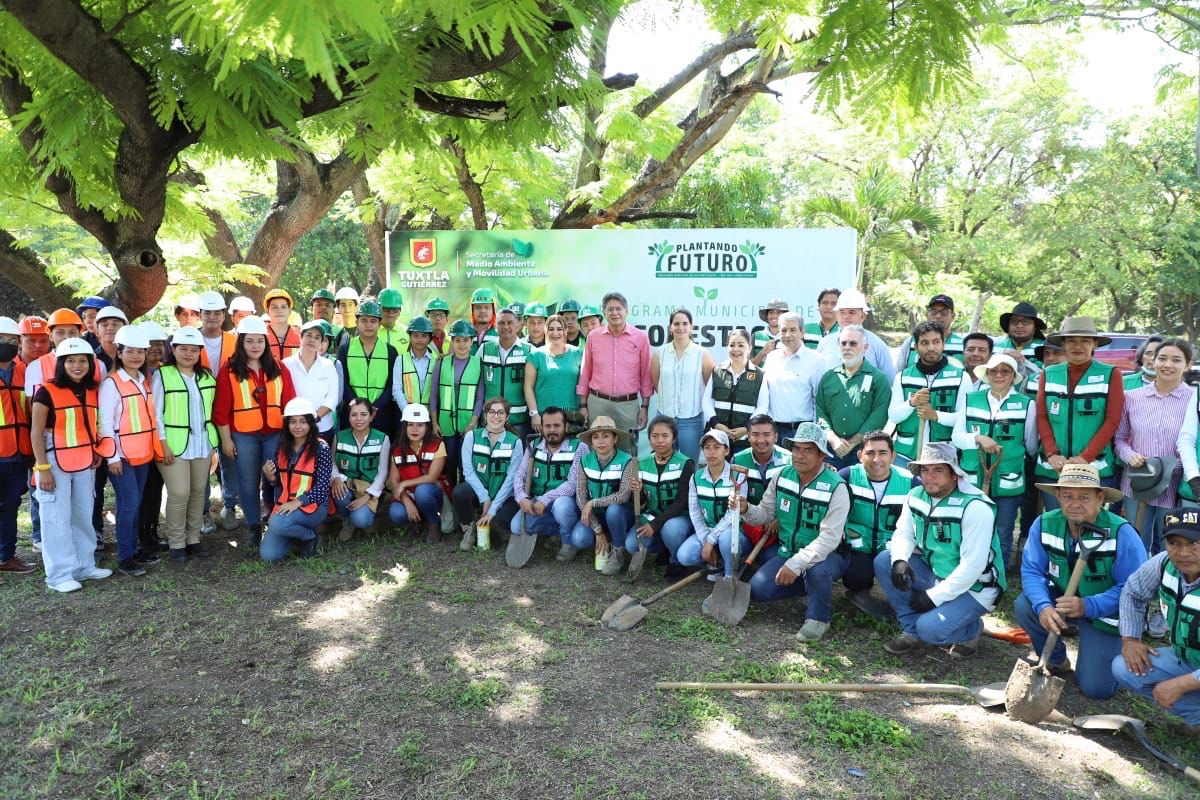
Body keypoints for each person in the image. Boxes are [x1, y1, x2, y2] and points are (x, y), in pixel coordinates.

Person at [1017, 465, 1146, 698]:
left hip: (1105, 613)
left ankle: (1108, 656)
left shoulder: (1121, 534)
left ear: (1100, 499)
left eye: (1084, 497)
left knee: (1096, 689)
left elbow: (1133, 591)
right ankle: (1055, 660)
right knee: (1025, 605)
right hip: (1063, 599)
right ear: (1057, 496)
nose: (1075, 503)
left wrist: (1088, 606)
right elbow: (1032, 571)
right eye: (1067, 496)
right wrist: (1044, 607)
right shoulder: (1044, 523)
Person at [875, 443, 1004, 657]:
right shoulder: (916, 495)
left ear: (954, 475)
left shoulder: (976, 507)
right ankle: (911, 630)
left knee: (930, 630)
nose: (929, 477)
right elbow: (904, 533)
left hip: (976, 587)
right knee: (885, 560)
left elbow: (972, 567)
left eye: (938, 470)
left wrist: (933, 597)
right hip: (936, 572)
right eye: (925, 470)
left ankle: (971, 629)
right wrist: (899, 560)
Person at [737, 422, 851, 642]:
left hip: (830, 555)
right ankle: (811, 587)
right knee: (760, 589)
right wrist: (745, 509)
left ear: (821, 456)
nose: (799, 455)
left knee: (817, 570)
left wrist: (796, 564)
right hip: (788, 550)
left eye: (808, 450)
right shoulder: (781, 476)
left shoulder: (837, 487)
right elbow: (765, 514)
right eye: (796, 448)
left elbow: (829, 539)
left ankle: (818, 618)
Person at [30, 338, 115, 592]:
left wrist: (97, 450)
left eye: (82, 361)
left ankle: (84, 565)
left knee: (83, 514)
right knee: (56, 518)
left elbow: (92, 424)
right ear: (61, 364)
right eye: (70, 361)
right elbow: (36, 433)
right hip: (54, 462)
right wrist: (42, 469)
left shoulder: (92, 390)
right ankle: (59, 575)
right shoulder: (46, 391)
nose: (77, 366)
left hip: (84, 462)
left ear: (90, 363)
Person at [1112, 507, 1200, 730]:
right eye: (1174, 543)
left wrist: (1183, 683)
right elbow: (1132, 591)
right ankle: (1197, 718)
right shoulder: (1163, 563)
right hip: (1188, 659)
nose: (1183, 552)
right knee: (1125, 667)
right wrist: (1130, 639)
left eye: (1194, 543)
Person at [214, 316, 297, 549]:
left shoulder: (279, 367)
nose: (255, 346)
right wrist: (226, 440)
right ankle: (253, 527)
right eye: (249, 341)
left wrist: (289, 437)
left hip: (275, 433)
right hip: (244, 435)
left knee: (279, 478)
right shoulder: (229, 370)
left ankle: (280, 522)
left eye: (259, 341)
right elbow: (221, 410)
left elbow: (289, 403)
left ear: (266, 342)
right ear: (241, 343)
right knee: (248, 483)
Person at [953, 352, 1038, 565]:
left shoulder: (1027, 404)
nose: (999, 375)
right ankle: (968, 568)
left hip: (1008, 478)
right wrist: (979, 438)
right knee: (969, 525)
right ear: (987, 374)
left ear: (1013, 376)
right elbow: (957, 437)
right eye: (994, 371)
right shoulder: (970, 399)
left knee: (1003, 527)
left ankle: (998, 573)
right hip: (973, 476)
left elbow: (1030, 444)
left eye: (1005, 371)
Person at [1035, 317, 1125, 511]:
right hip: (1054, 468)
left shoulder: (1112, 374)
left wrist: (1085, 457)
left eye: (1085, 340)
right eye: (1071, 340)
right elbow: (1042, 416)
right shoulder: (1048, 374)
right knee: (1058, 522)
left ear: (1094, 344)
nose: (1078, 346)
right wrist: (1051, 453)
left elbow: (1112, 420)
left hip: (1095, 465)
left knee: (1095, 525)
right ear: (1063, 345)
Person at [1117, 337, 1194, 553]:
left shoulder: (1194, 400)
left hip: (1174, 485)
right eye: (1162, 358)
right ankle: (1136, 584)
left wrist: (1171, 467)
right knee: (1136, 540)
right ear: (1152, 360)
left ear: (1187, 365)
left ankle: (1164, 585)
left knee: (1169, 544)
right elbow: (1120, 439)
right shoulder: (1132, 397)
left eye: (1176, 360)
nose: (1168, 364)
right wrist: (1129, 455)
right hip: (1137, 482)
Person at [98, 325, 163, 576]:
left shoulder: (143, 381)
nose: (136, 356)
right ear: (120, 353)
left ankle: (135, 549)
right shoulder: (112, 384)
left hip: (143, 455)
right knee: (128, 504)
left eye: (140, 352)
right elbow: (104, 423)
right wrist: (112, 456)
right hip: (122, 458)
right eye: (130, 351)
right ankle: (126, 557)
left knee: (135, 505)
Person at [153, 327, 218, 563]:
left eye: (194, 350)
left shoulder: (207, 376)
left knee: (199, 492)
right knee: (179, 492)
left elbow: (213, 412)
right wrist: (162, 444)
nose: (189, 354)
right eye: (183, 349)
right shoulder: (162, 375)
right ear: (173, 349)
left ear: (200, 352)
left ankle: (193, 538)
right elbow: (156, 413)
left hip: (203, 443)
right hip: (173, 444)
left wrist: (215, 446)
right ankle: (176, 541)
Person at [838, 431, 911, 613]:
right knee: (857, 576)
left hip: (892, 548)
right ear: (860, 455)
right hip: (858, 546)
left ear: (893, 456)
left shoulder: (910, 482)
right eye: (870, 453)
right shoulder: (846, 476)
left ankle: (899, 599)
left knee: (902, 575)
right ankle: (859, 593)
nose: (876, 459)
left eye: (883, 453)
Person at [576, 292, 653, 453]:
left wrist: (645, 406)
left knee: (628, 452)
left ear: (626, 311)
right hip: (598, 403)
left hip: (628, 406)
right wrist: (583, 405)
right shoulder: (594, 337)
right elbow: (585, 373)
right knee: (598, 451)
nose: (614, 313)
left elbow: (646, 375)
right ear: (604, 313)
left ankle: (626, 480)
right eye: (610, 309)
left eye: (618, 308)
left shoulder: (640, 338)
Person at [260, 398, 333, 561]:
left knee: (278, 523)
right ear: (287, 424)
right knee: (269, 556)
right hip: (286, 506)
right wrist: (270, 477)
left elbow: (322, 488)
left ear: (311, 424)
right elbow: (280, 483)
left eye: (303, 422)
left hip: (313, 507)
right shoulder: (282, 446)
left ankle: (309, 538)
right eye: (293, 422)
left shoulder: (321, 448)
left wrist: (298, 502)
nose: (298, 426)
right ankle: (295, 536)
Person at [887, 321, 969, 466]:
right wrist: (911, 403)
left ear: (943, 344)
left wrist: (935, 415)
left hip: (943, 456)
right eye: (925, 343)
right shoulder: (903, 377)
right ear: (916, 347)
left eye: (936, 342)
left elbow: (965, 419)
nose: (931, 347)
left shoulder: (961, 377)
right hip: (905, 455)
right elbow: (893, 416)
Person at [511, 406, 587, 557]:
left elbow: (572, 485)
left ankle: (568, 542)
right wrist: (521, 498)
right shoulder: (534, 446)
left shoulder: (579, 447)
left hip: (567, 503)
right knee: (516, 527)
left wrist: (546, 499)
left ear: (566, 426)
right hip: (538, 501)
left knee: (561, 507)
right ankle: (557, 533)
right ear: (542, 427)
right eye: (548, 426)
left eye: (557, 425)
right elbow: (520, 475)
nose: (552, 430)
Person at [815, 324, 890, 469]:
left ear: (865, 347)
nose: (847, 347)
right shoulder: (829, 377)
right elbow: (820, 410)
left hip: (864, 450)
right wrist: (833, 439)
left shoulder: (878, 378)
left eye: (853, 343)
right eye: (843, 343)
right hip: (832, 449)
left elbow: (879, 415)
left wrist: (854, 442)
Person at [454, 397, 524, 551]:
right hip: (479, 493)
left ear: (507, 417)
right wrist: (485, 498)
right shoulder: (472, 437)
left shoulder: (516, 442)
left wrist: (493, 508)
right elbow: (468, 472)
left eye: (501, 412)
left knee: (503, 519)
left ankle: (494, 525)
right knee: (460, 492)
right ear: (485, 415)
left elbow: (511, 479)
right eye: (492, 412)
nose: (496, 416)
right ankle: (469, 529)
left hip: (503, 495)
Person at [627, 416, 695, 573]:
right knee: (631, 545)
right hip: (652, 515)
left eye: (665, 436)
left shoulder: (685, 463)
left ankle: (676, 561)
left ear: (674, 438)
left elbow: (682, 502)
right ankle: (664, 548)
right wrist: (638, 492)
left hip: (678, 517)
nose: (660, 440)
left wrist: (655, 524)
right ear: (649, 438)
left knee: (671, 529)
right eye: (655, 436)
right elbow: (640, 502)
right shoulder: (641, 463)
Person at [570, 416, 636, 574]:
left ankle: (618, 550)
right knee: (579, 538)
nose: (600, 441)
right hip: (595, 517)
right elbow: (580, 496)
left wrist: (593, 503)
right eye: (595, 437)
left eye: (606, 436)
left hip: (619, 515)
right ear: (591, 441)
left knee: (614, 510)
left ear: (615, 439)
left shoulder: (627, 461)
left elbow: (623, 496)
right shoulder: (584, 460)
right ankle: (603, 540)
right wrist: (597, 530)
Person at [677, 429, 747, 577]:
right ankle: (717, 563)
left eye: (716, 447)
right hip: (708, 529)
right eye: (707, 448)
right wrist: (705, 539)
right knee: (684, 556)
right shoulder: (696, 478)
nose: (711, 452)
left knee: (726, 539)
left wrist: (711, 540)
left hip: (734, 532)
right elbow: (694, 511)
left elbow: (733, 514)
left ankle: (730, 575)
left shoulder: (738, 476)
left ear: (726, 450)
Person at [652, 309, 715, 461]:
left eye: (685, 324)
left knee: (689, 464)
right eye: (676, 324)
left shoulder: (702, 354)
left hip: (691, 421)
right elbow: (655, 382)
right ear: (670, 327)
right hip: (664, 418)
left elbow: (710, 387)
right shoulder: (660, 353)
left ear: (691, 327)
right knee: (663, 463)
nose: (681, 327)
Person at [429, 319, 483, 484]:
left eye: (466, 340)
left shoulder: (478, 363)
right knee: (449, 463)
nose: (461, 344)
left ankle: (466, 499)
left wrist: (473, 423)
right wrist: (434, 423)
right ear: (451, 341)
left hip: (468, 423)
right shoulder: (442, 363)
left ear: (472, 341)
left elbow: (480, 397)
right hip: (446, 424)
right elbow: (434, 394)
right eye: (457, 340)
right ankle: (450, 497)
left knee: (466, 464)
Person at [0, 317, 34, 574]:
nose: (8, 344)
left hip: (19, 451)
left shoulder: (26, 371)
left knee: (11, 504)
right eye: (2, 339)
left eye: (13, 340)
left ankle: (6, 557)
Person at [387, 403, 450, 543]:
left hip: (431, 493)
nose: (414, 429)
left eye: (420, 425)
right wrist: (406, 500)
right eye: (410, 425)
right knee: (396, 513)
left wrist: (405, 483)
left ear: (427, 427)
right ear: (404, 427)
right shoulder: (397, 448)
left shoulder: (437, 444)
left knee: (422, 492)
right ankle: (416, 521)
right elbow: (394, 481)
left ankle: (433, 524)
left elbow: (432, 477)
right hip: (409, 494)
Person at [761, 312, 826, 443]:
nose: (787, 335)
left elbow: (819, 400)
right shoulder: (771, 358)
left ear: (802, 332)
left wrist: (814, 431)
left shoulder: (816, 360)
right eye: (783, 330)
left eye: (793, 330)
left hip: (802, 431)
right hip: (774, 431)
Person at [330, 397, 388, 541]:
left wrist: (368, 496)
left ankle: (368, 516)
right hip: (347, 485)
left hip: (369, 489)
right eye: (354, 414)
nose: (358, 419)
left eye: (363, 414)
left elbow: (383, 473)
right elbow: (332, 463)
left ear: (371, 416)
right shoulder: (339, 437)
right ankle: (346, 520)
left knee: (361, 519)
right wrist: (336, 478)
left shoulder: (382, 438)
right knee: (340, 494)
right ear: (348, 417)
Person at [337, 300, 398, 436]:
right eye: (364, 320)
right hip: (352, 412)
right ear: (357, 322)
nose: (368, 325)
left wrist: (375, 407)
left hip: (381, 413)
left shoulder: (390, 351)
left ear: (379, 323)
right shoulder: (345, 349)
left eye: (373, 321)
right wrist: (358, 406)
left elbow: (392, 384)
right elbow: (343, 382)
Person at [703, 328, 769, 454]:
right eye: (732, 345)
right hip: (718, 438)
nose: (736, 349)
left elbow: (763, 406)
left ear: (749, 348)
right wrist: (716, 424)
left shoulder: (759, 375)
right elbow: (707, 401)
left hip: (745, 439)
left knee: (741, 472)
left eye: (741, 345)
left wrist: (746, 428)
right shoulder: (717, 371)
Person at [815, 289, 895, 383]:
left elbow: (890, 383)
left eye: (852, 312)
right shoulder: (825, 343)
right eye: (842, 312)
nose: (846, 316)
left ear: (863, 316)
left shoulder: (877, 345)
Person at [525, 314, 584, 435]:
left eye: (559, 329)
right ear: (546, 331)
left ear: (565, 331)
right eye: (551, 329)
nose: (555, 333)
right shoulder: (536, 355)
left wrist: (584, 407)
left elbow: (583, 383)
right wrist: (534, 413)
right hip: (545, 417)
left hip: (571, 417)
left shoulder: (577, 353)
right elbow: (528, 387)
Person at [284, 320, 339, 445]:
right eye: (308, 335)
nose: (312, 340)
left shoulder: (328, 365)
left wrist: (314, 418)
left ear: (321, 342)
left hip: (322, 427)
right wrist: (300, 422)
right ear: (301, 337)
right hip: (294, 429)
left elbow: (332, 398)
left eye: (317, 337)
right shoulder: (286, 364)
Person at [479, 308, 532, 438]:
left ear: (518, 325)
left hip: (519, 421)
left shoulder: (529, 351)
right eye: (501, 323)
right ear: (495, 326)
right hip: (490, 420)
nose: (506, 327)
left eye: (510, 323)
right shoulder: (485, 349)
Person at [895, 294, 965, 369]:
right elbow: (899, 372)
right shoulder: (911, 342)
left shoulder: (964, 345)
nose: (938, 316)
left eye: (944, 312)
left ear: (953, 316)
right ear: (927, 315)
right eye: (933, 311)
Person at [391, 316, 439, 413]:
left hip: (429, 414)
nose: (420, 339)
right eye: (416, 335)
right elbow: (396, 389)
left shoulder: (436, 361)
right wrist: (408, 411)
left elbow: (437, 392)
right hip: (406, 414)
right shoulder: (400, 360)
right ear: (410, 336)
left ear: (430, 338)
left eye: (424, 336)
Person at [994, 301, 1047, 373]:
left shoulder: (1045, 348)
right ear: (1008, 326)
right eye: (1014, 321)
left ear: (1035, 327)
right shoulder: (996, 345)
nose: (1019, 326)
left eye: (1025, 321)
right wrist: (1003, 353)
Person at [196, 291, 236, 373]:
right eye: (207, 313)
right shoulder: (190, 339)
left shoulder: (235, 341)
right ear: (200, 316)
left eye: (217, 313)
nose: (212, 317)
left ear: (223, 316)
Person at [263, 289, 301, 362]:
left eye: (283, 307)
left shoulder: (300, 336)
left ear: (289, 311)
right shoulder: (260, 335)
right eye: (274, 307)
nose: (279, 311)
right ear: (267, 311)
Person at [92, 305, 127, 374]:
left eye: (115, 324)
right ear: (97, 332)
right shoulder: (91, 359)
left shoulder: (133, 358)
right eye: (105, 325)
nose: (110, 328)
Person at [751, 299, 787, 365]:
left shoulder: (790, 337)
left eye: (778, 313)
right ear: (767, 315)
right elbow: (749, 367)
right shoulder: (756, 336)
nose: (774, 316)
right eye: (771, 312)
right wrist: (763, 352)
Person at [377, 288, 409, 354]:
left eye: (395, 309)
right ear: (378, 309)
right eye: (386, 308)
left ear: (400, 311)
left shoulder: (408, 332)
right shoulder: (370, 331)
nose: (391, 312)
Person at [469, 288, 499, 353]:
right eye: (478, 307)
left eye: (486, 307)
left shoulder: (500, 333)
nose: (482, 311)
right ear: (472, 310)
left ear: (493, 310)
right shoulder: (464, 331)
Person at [334, 287, 359, 352]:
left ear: (356, 306)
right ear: (338, 308)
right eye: (343, 305)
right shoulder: (337, 335)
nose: (347, 309)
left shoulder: (366, 331)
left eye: (350, 304)